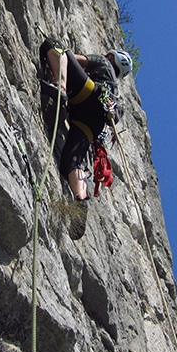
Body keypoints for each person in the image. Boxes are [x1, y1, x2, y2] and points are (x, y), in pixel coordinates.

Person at [39, 36, 133, 236]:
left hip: (88, 95)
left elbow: (73, 58)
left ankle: (60, 87)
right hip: (93, 124)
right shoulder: (115, 95)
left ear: (110, 57)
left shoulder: (102, 63)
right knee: (72, 162)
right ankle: (80, 198)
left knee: (55, 47)